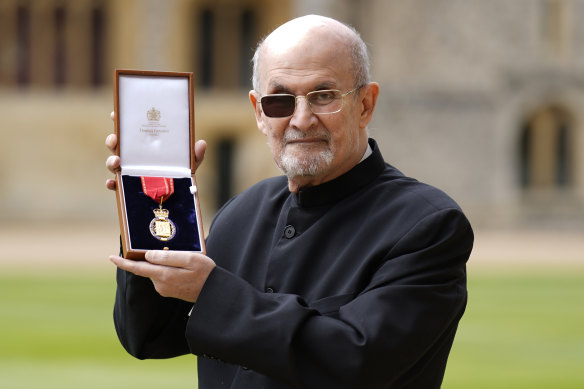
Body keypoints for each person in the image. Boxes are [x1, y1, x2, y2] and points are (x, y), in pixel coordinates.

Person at [105, 15, 473, 389]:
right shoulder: (240, 213)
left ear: (365, 104)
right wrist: (149, 202)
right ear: (259, 112)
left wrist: (214, 293)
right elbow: (150, 336)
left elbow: (358, 360)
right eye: (280, 100)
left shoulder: (427, 225)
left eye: (323, 96)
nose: (301, 118)